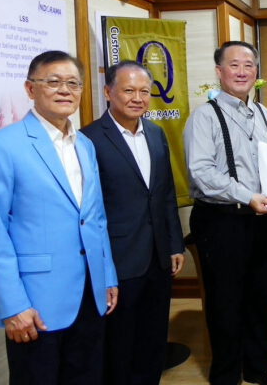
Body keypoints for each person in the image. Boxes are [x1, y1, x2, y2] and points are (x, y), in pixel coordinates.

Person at [0, 50, 118, 384]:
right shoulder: (0, 146)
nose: (65, 90)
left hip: (90, 293)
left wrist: (107, 276)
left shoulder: (85, 145)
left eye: (73, 83)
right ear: (30, 89)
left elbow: (95, 219)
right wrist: (12, 306)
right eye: (53, 82)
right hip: (36, 302)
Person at [183, 41, 267, 385]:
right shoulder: (204, 116)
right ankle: (226, 374)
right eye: (234, 65)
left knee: (262, 297)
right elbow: (201, 172)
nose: (242, 71)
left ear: (256, 71)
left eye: (249, 65)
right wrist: (247, 196)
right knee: (225, 301)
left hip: (263, 219)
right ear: (219, 71)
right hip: (222, 221)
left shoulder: (263, 113)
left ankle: (259, 366)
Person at [81, 60, 185, 385]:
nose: (137, 98)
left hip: (158, 257)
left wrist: (175, 243)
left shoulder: (155, 133)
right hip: (118, 260)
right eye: (128, 90)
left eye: (144, 91)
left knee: (153, 341)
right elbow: (88, 210)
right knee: (120, 344)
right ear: (108, 92)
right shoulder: (89, 139)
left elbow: (165, 193)